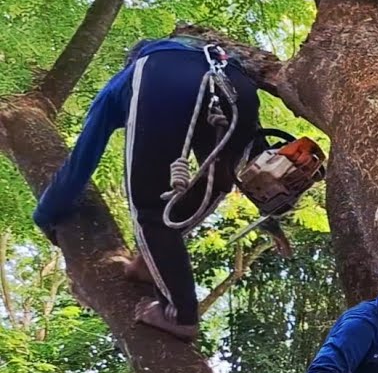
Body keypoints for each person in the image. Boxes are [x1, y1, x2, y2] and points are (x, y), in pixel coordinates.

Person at [32, 36, 285, 341]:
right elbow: (243, 156)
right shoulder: (210, 60)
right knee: (216, 182)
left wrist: (46, 213)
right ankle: (150, 262)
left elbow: (82, 159)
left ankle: (180, 315)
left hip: (163, 80)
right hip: (239, 87)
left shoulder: (133, 75)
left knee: (149, 206)